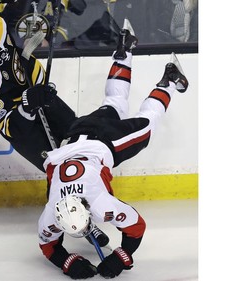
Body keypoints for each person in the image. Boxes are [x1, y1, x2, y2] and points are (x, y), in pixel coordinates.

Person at [36, 20, 189, 279]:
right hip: (76, 132)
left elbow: (136, 227)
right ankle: (124, 50)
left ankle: (170, 80)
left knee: (147, 123)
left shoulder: (98, 202)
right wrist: (70, 261)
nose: (83, 232)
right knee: (115, 102)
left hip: (104, 142)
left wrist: (120, 258)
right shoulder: (52, 210)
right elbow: (47, 245)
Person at [0, 0, 110, 247]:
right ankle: (80, 227)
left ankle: (95, 205)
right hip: (19, 121)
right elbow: (9, 122)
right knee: (58, 171)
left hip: (37, 90)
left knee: (81, 139)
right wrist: (26, 104)